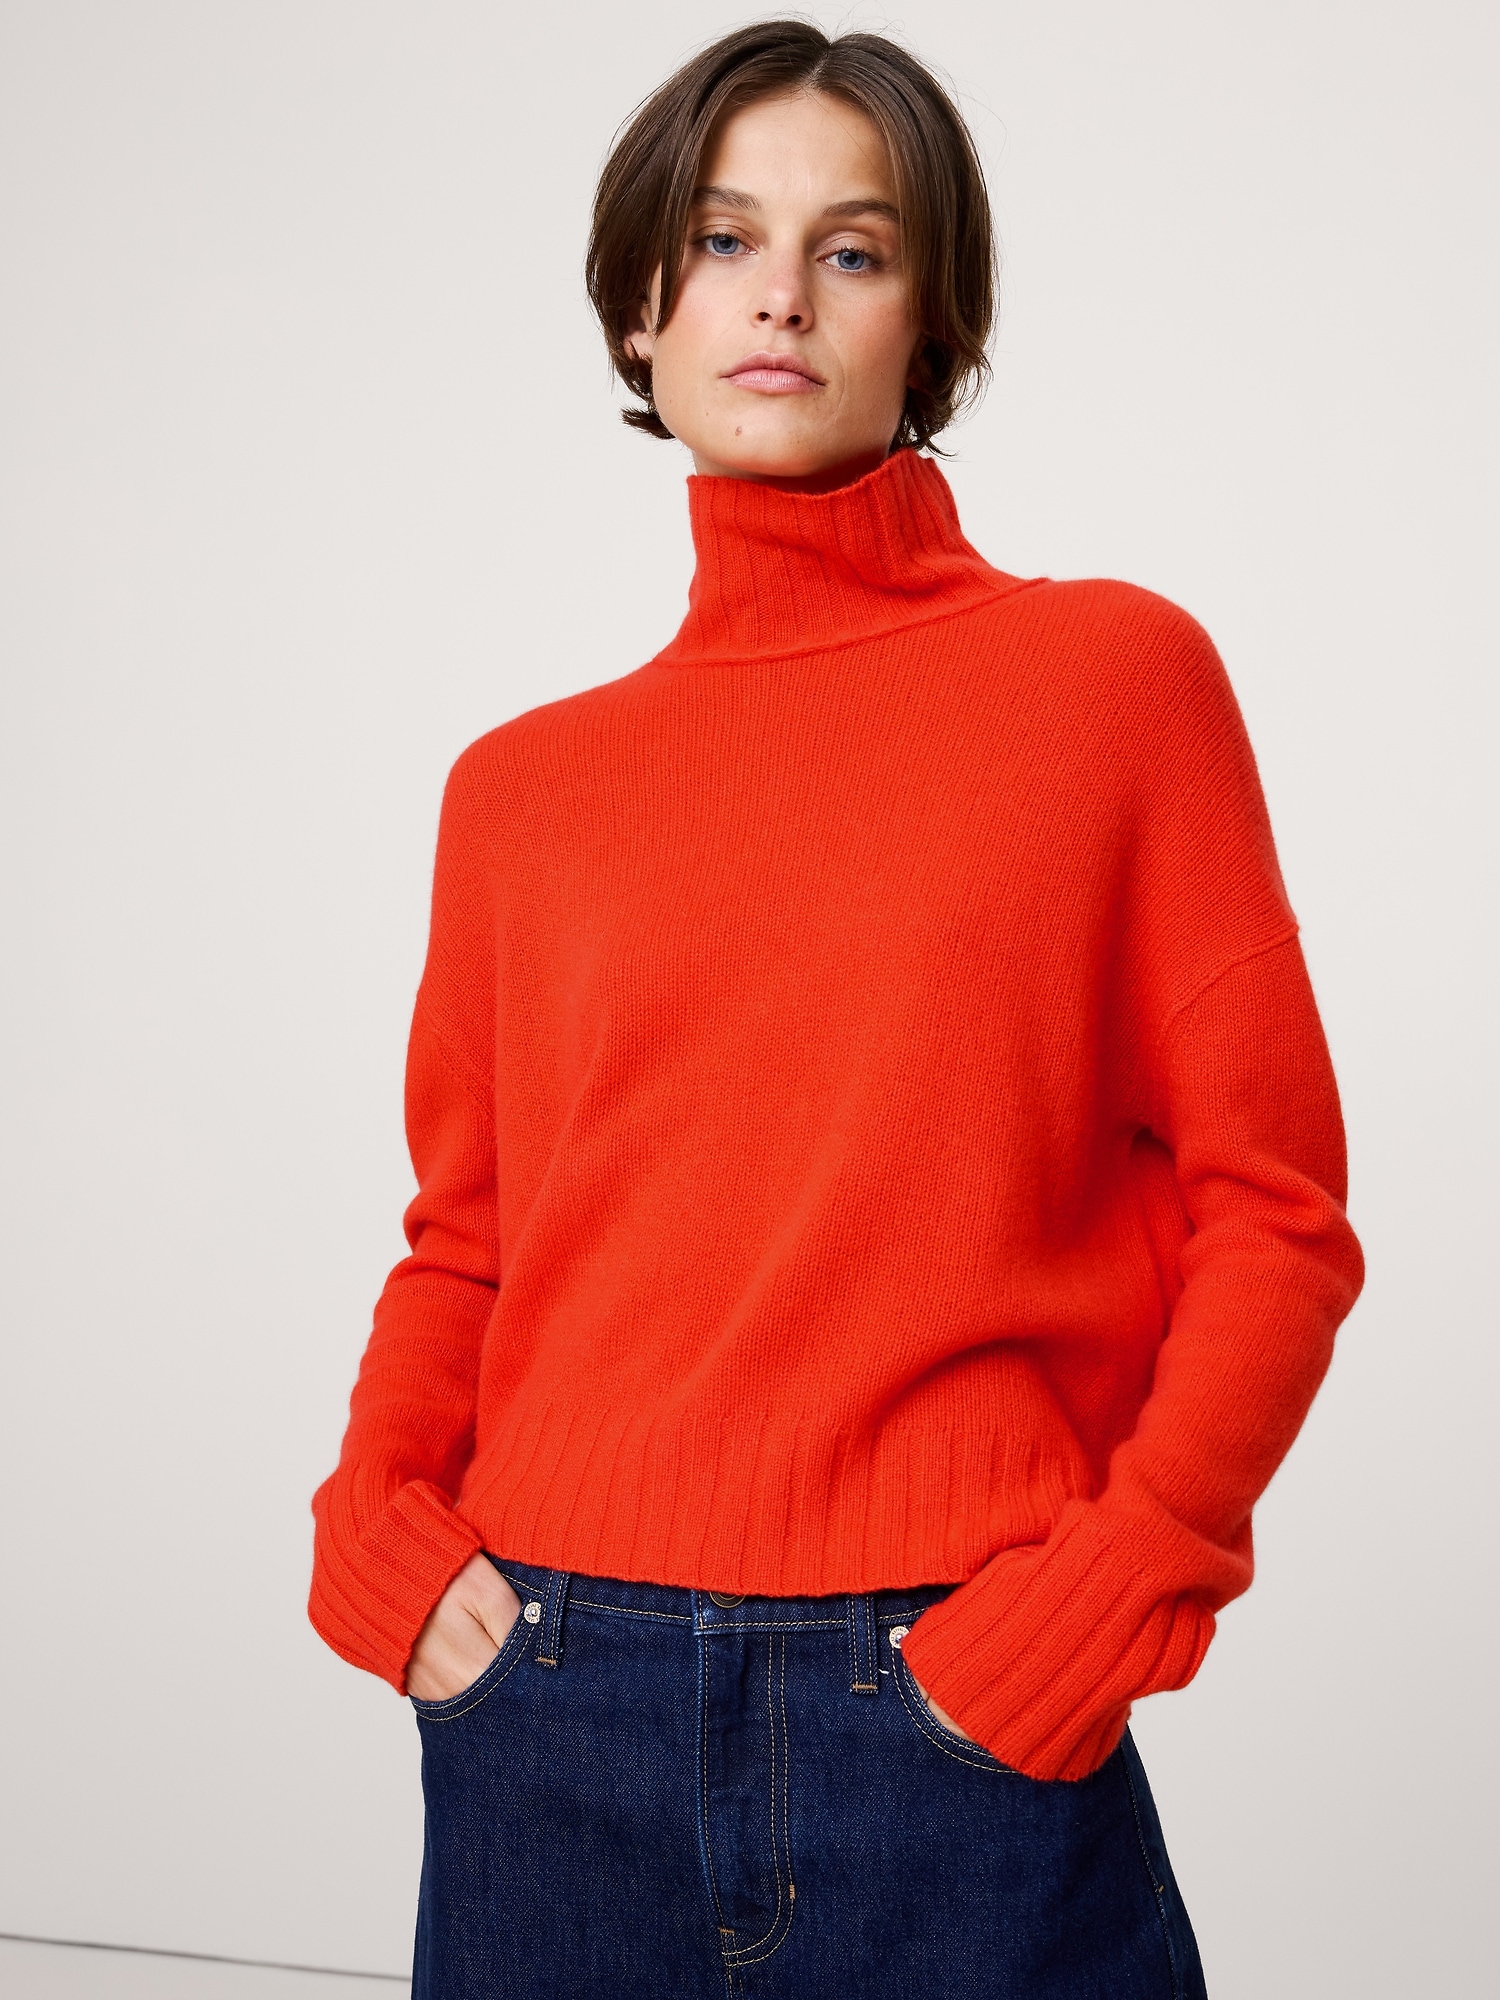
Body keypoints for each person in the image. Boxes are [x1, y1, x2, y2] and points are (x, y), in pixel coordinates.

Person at [309, 21, 1363, 1998]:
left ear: (931, 324)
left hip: (955, 1714)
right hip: (551, 1704)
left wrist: (1106, 1594)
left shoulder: (1114, 685)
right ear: (642, 310)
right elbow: (468, 1243)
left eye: (853, 249)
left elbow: (1279, 1215)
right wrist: (377, 1532)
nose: (781, 293)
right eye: (723, 240)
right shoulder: (520, 791)